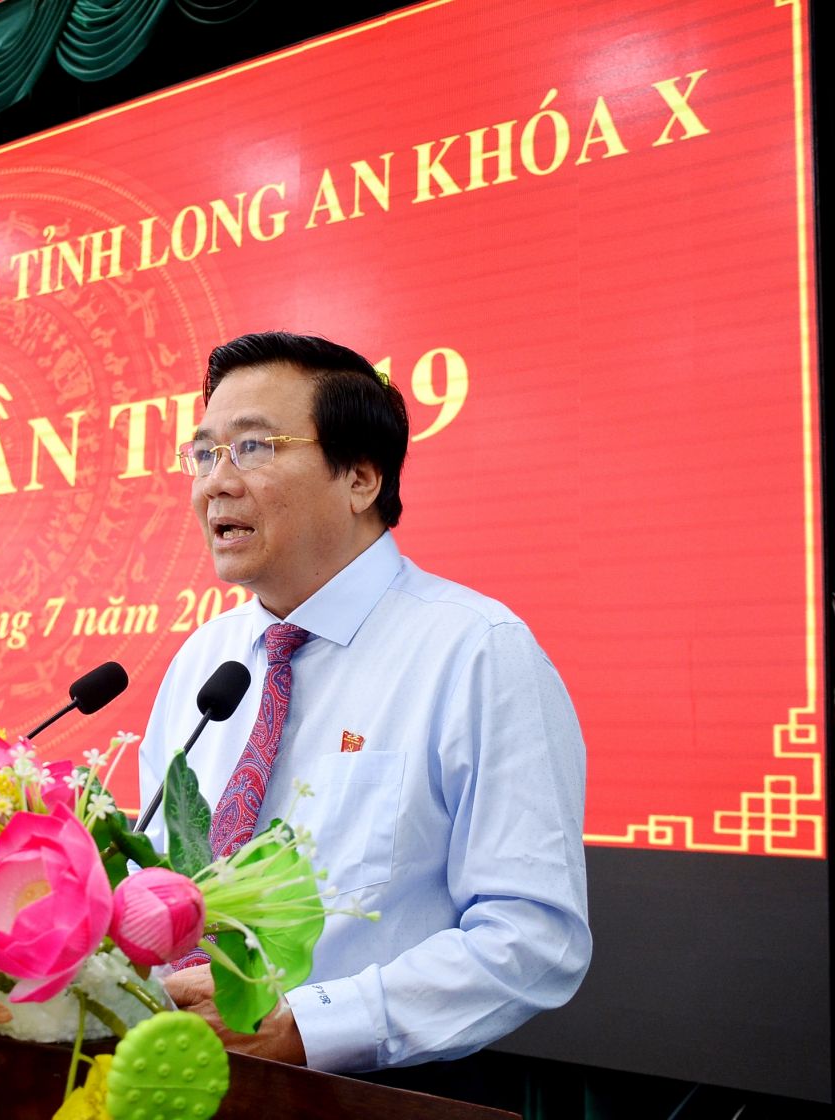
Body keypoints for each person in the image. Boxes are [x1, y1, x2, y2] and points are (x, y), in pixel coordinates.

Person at [139, 331, 591, 1074]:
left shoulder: (475, 650)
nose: (216, 483)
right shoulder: (203, 660)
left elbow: (535, 939)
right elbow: (157, 885)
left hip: (361, 1091)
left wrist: (311, 1027)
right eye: (203, 453)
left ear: (360, 478)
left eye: (253, 448)